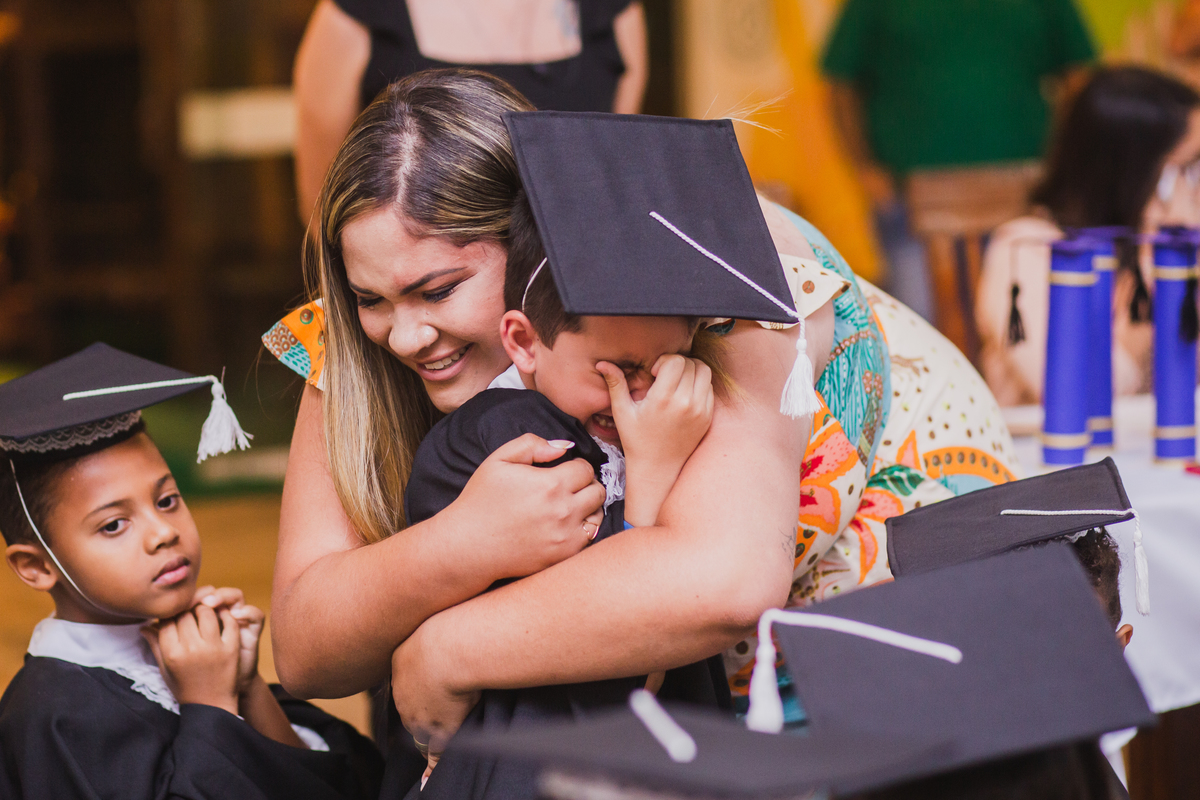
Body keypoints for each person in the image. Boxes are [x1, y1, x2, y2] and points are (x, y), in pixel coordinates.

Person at [262, 68, 1022, 766]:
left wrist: (444, 652)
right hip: (639, 714)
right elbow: (302, 650)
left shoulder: (714, 268)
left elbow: (725, 580)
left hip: (894, 671)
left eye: (439, 290)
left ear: (539, 241)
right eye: (370, 299)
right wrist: (458, 546)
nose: (403, 336)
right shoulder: (364, 332)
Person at [0, 344, 382, 800]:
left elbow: (341, 788)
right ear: (36, 567)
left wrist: (247, 687)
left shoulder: (192, 652)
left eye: (167, 500)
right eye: (114, 524)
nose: (164, 532)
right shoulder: (51, 714)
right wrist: (210, 704)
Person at [821, 0, 1096, 321]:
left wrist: (1064, 163)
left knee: (1029, 318)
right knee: (916, 325)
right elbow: (839, 83)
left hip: (1028, 195)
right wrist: (865, 169)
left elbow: (1080, 75)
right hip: (906, 197)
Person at [292, 0, 648, 218]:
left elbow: (612, 184)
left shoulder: (617, 14)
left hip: (575, 302)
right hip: (421, 304)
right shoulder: (354, 15)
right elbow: (322, 215)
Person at [976, 66, 1200, 406]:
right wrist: (1157, 278)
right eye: (1179, 170)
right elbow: (1073, 399)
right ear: (1127, 173)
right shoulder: (1026, 251)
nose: (1190, 190)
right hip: (1043, 440)